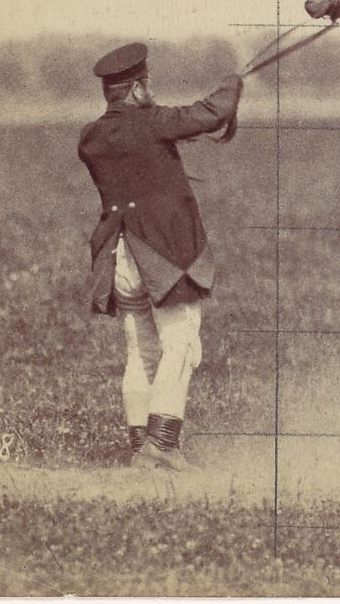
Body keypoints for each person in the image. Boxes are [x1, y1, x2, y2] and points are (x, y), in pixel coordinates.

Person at [78, 42, 243, 470]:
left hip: (118, 255)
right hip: (161, 256)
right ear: (135, 90)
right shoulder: (152, 122)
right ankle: (162, 446)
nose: (149, 92)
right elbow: (210, 114)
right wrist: (231, 85)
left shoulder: (91, 137)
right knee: (182, 344)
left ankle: (140, 447)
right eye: (146, 85)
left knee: (141, 351)